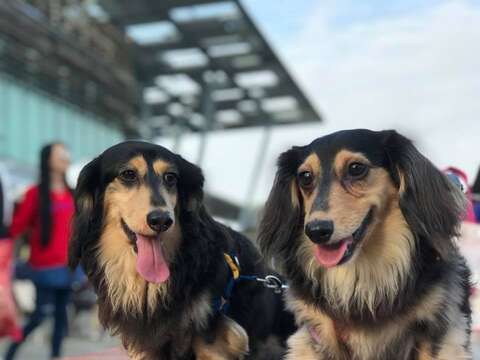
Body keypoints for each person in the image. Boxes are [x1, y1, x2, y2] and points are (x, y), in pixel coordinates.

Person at [3, 143, 74, 360]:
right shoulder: (34, 194)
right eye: (60, 154)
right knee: (39, 316)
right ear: (48, 160)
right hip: (43, 267)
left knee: (62, 317)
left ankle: (55, 355)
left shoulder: (73, 194)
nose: (65, 158)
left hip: (69, 266)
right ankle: (10, 353)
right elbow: (15, 227)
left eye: (66, 154)